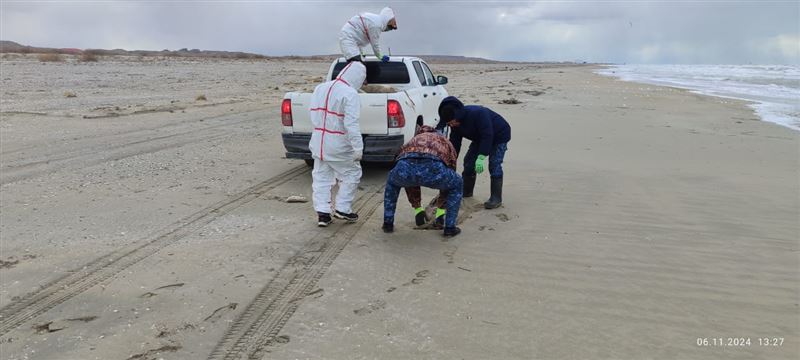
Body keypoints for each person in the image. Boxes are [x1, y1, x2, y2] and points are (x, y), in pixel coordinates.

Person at [308, 61, 367, 227]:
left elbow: (312, 113)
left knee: (321, 177)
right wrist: (358, 147)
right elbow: (351, 124)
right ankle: (343, 208)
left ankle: (323, 213)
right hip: (338, 144)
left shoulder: (320, 88)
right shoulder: (350, 94)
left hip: (318, 141)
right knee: (352, 174)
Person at [382, 125, 463, 237]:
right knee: (456, 183)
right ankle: (449, 227)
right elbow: (450, 172)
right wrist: (441, 208)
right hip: (433, 170)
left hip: (405, 169)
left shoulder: (413, 139)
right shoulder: (445, 141)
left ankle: (388, 223)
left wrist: (417, 207)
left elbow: (404, 165)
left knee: (393, 182)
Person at [436, 96, 511, 209]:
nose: (451, 125)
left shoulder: (478, 114)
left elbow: (488, 135)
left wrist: (481, 157)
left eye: (452, 122)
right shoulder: (455, 124)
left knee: (494, 164)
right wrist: (450, 159)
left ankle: (496, 198)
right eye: (448, 124)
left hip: (499, 135)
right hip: (479, 138)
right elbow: (455, 142)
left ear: (457, 116)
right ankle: (466, 193)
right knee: (468, 162)